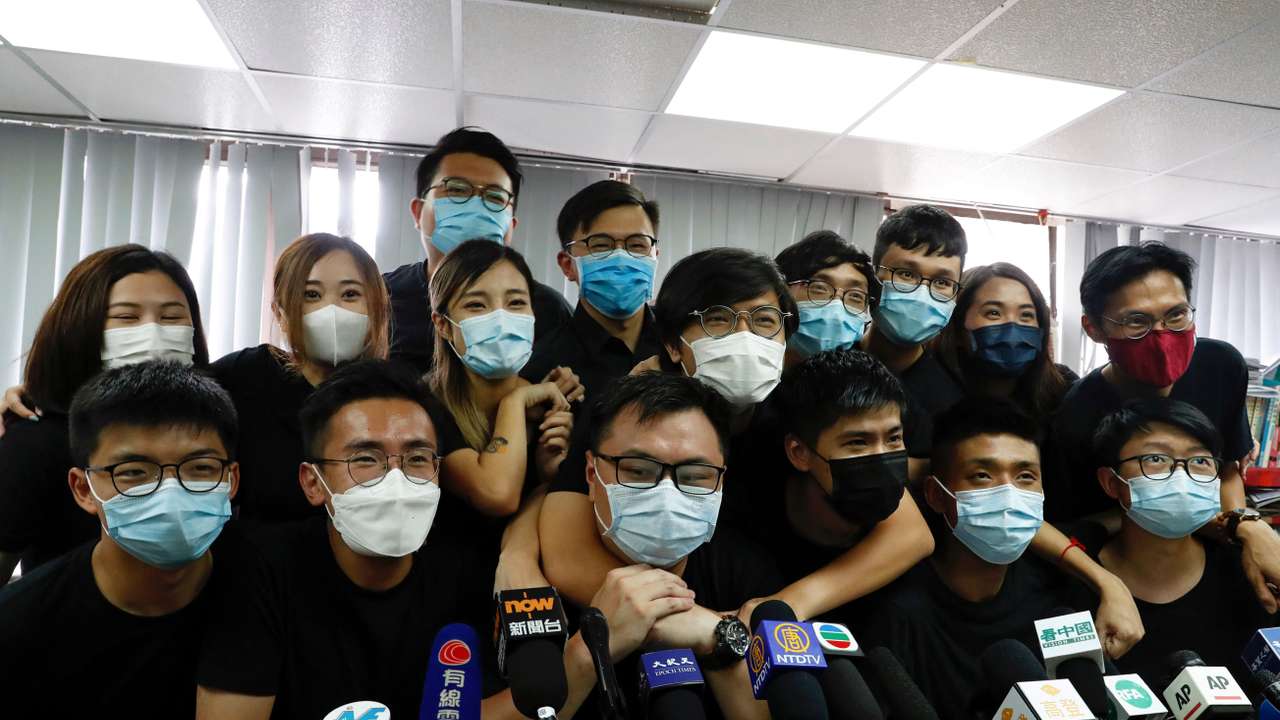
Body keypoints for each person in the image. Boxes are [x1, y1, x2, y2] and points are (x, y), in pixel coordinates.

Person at [194, 360, 668, 720]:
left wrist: (584, 655)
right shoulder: (261, 567)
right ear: (312, 482)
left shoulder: (465, 571)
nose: (396, 480)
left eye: (417, 459)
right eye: (366, 460)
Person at [540, 247, 799, 606]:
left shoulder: (797, 415)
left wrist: (796, 604)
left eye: (765, 320)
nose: (745, 337)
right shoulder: (628, 412)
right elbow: (567, 550)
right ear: (673, 345)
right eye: (718, 319)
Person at [1047, 242, 1280, 611]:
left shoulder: (1221, 367)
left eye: (1176, 315)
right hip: (1127, 571)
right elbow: (1080, 523)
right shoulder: (1077, 416)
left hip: (1209, 555)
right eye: (1136, 322)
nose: (1161, 336)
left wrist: (1246, 527)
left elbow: (1227, 470)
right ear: (1094, 328)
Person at [0, 361, 240, 716]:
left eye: (200, 468)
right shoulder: (18, 623)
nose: (170, 492)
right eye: (134, 472)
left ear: (231, 480)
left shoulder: (265, 597)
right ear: (83, 489)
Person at [0, 244, 210, 584]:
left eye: (171, 317)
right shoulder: (37, 443)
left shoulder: (211, 428)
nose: (153, 332)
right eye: (127, 317)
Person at [862, 397, 1079, 719]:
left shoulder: (1056, 597)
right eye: (982, 476)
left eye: (1025, 477)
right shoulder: (899, 616)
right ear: (936, 495)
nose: (1009, 495)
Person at [576, 372, 774, 719]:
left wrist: (715, 639)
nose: (666, 494)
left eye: (695, 476)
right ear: (593, 475)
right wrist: (582, 655)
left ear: (721, 482)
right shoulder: (532, 581)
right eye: (638, 471)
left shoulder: (745, 572)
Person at [1072, 399, 1275, 683]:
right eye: (1156, 459)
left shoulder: (1250, 576)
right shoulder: (1074, 586)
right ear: (1111, 482)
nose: (1181, 476)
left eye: (1200, 461)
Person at [210, 233, 391, 523]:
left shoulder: (393, 395)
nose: (332, 310)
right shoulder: (245, 375)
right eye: (312, 295)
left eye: (350, 294)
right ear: (280, 312)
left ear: (375, 307)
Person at [426, 240, 573, 576]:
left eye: (516, 303)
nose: (501, 319)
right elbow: (497, 494)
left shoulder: (556, 403)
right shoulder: (425, 408)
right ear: (443, 325)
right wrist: (514, 402)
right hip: (446, 585)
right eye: (477, 305)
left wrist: (549, 479)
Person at [383, 127, 572, 375]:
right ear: (418, 213)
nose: (475, 206)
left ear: (511, 226)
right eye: (456, 189)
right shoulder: (382, 297)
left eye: (495, 197)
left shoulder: (549, 310)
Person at [521, 180, 664, 404]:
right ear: (567, 265)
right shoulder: (544, 371)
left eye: (637, 245)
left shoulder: (681, 347)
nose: (621, 259)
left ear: (655, 256)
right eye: (600, 245)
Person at [858, 204, 967, 478]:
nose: (922, 293)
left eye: (942, 282)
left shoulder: (952, 403)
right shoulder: (831, 362)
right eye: (906, 274)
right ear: (873, 275)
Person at [936, 262, 1077, 429]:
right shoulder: (932, 395)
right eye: (993, 313)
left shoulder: (1065, 390)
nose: (1012, 327)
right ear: (957, 327)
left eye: (1026, 315)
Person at [774, 230, 876, 367]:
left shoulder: (867, 378)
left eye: (855, 296)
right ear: (781, 292)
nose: (837, 309)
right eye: (820, 288)